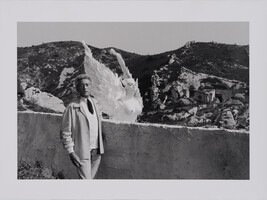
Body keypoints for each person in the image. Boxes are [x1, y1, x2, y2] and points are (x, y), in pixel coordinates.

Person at [60, 74, 104, 179]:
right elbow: (65, 132)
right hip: (82, 151)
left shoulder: (96, 104)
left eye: (87, 85)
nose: (85, 87)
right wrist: (71, 152)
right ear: (77, 88)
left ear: (91, 86)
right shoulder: (72, 107)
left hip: (97, 151)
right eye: (82, 85)